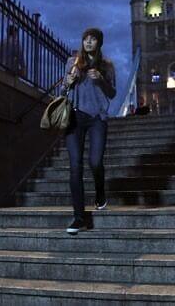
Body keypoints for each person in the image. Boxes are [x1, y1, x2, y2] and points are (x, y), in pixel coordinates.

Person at [62, 27, 116, 234]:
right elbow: (63, 90)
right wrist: (68, 82)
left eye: (93, 39)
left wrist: (100, 79)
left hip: (97, 119)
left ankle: (100, 194)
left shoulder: (107, 66)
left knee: (95, 162)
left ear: (99, 43)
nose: (89, 42)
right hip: (75, 117)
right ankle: (79, 218)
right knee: (75, 166)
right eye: (86, 39)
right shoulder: (72, 62)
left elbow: (112, 94)